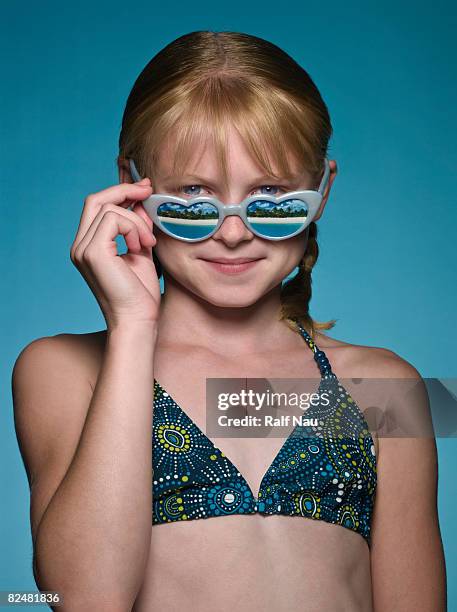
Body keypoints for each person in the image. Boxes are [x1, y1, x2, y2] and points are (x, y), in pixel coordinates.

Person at [12, 30, 446, 612]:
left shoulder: (386, 388)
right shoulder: (63, 370)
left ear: (323, 189)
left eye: (271, 194)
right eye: (193, 196)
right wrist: (134, 328)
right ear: (132, 188)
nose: (234, 232)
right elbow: (85, 600)